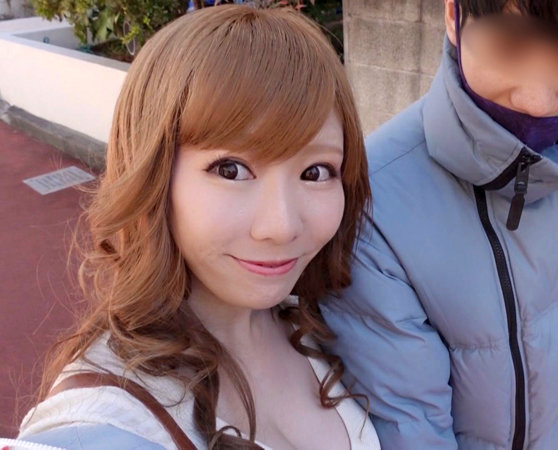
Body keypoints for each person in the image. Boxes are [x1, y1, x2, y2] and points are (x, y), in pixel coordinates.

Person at [15, 5, 379, 449]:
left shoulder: (325, 321)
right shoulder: (104, 418)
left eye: (315, 172)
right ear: (153, 177)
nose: (282, 227)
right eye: (231, 170)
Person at [319, 0, 558, 448]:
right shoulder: (371, 206)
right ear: (453, 15)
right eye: (509, 45)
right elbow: (411, 429)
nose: (535, 100)